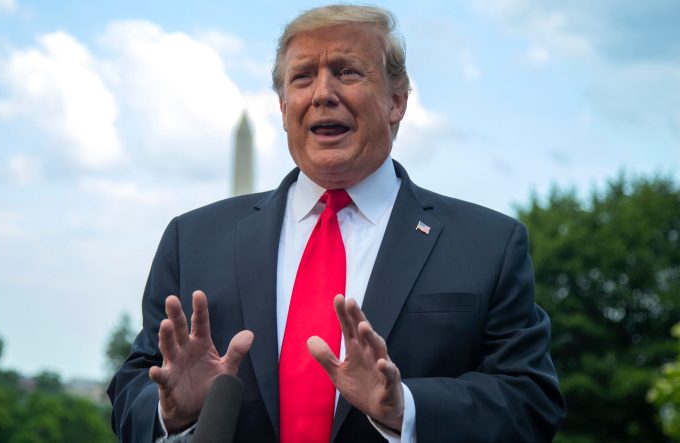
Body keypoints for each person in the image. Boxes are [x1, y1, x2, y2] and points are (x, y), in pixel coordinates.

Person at [107, 4, 566, 442]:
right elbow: (131, 390)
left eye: (347, 71)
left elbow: (531, 403)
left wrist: (404, 407)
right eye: (302, 77)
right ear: (283, 105)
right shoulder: (193, 239)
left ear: (397, 101)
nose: (323, 93)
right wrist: (173, 413)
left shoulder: (487, 245)